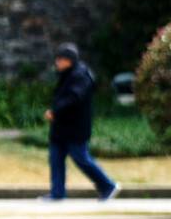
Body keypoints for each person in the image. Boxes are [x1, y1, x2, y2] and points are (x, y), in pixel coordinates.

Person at [39, 42, 120, 202]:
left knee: (81, 158)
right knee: (55, 158)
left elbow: (74, 98)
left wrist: (56, 112)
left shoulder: (80, 76)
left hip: (74, 128)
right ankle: (57, 192)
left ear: (68, 60)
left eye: (60, 59)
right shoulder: (67, 74)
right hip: (61, 128)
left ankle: (107, 185)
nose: (57, 62)